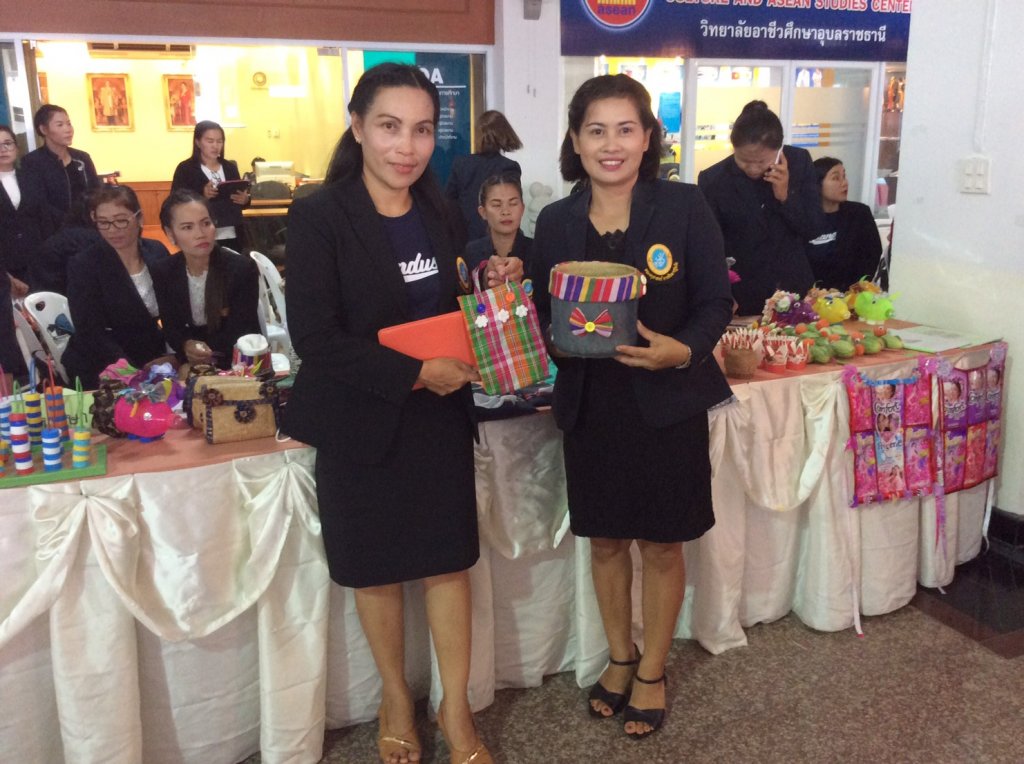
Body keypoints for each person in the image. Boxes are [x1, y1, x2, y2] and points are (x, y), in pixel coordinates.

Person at [283, 63, 501, 764]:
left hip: (438, 418)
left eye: (421, 130)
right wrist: (413, 373)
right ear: (357, 127)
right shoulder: (319, 215)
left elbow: (446, 307)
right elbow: (315, 338)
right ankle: (395, 696)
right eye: (389, 126)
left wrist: (486, 300)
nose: (406, 147)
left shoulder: (440, 209)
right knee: (375, 568)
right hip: (361, 421)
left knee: (447, 564)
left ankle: (454, 706)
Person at [532, 74, 733, 739]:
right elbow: (541, 311)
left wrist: (684, 350)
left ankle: (652, 668)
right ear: (575, 140)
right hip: (591, 408)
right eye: (596, 130)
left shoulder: (684, 206)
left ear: (648, 138)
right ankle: (619, 657)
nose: (610, 144)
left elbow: (716, 301)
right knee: (607, 541)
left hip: (667, 405)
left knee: (663, 543)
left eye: (625, 129)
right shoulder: (556, 222)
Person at [697, 100, 824, 315]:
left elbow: (814, 228)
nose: (753, 169)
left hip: (794, 289)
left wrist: (785, 196)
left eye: (762, 161)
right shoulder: (714, 180)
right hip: (743, 293)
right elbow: (709, 246)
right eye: (744, 161)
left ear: (779, 149)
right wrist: (720, 293)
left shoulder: (799, 162)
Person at [63, 185, 173, 388]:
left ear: (139, 218)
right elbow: (90, 331)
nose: (112, 230)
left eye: (121, 220)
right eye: (103, 223)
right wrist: (130, 371)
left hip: (149, 351)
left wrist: (174, 353)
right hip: (100, 359)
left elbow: (173, 309)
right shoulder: (84, 264)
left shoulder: (156, 251)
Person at [151, 189, 260, 369]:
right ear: (170, 234)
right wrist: (186, 345)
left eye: (206, 223)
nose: (200, 234)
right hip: (189, 358)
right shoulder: (164, 271)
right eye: (188, 227)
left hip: (235, 361)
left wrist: (203, 355)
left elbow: (243, 329)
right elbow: (171, 327)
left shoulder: (241, 269)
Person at [171, 121, 250, 253]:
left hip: (231, 231)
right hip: (200, 233)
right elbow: (176, 201)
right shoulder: (186, 169)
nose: (215, 146)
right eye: (210, 141)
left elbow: (238, 195)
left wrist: (245, 200)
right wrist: (202, 195)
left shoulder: (230, 167)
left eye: (219, 141)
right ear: (198, 142)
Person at [806, 157, 883, 290]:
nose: (844, 183)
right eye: (836, 178)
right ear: (817, 184)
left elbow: (872, 255)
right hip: (812, 295)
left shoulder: (859, 214)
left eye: (844, 176)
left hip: (851, 294)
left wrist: (855, 289)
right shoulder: (804, 218)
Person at [445, 110, 522, 241]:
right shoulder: (509, 167)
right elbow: (512, 206)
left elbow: (449, 202)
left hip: (464, 235)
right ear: (505, 133)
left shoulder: (461, 164)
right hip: (496, 236)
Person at [20, 104, 100, 230]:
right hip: (53, 231)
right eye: (60, 125)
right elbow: (39, 203)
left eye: (69, 124)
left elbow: (95, 192)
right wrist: (69, 222)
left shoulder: (82, 158)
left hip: (87, 227)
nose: (68, 129)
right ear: (44, 129)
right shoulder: (32, 161)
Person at [0, 124, 54, 290]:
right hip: (5, 266)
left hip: (37, 260)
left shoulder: (31, 177)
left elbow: (44, 219)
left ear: (16, 147)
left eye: (7, 143)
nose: (3, 150)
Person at [464, 171, 531, 285]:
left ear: (522, 209)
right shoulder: (472, 252)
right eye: (496, 205)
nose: (505, 211)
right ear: (483, 212)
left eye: (513, 203)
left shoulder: (536, 251)